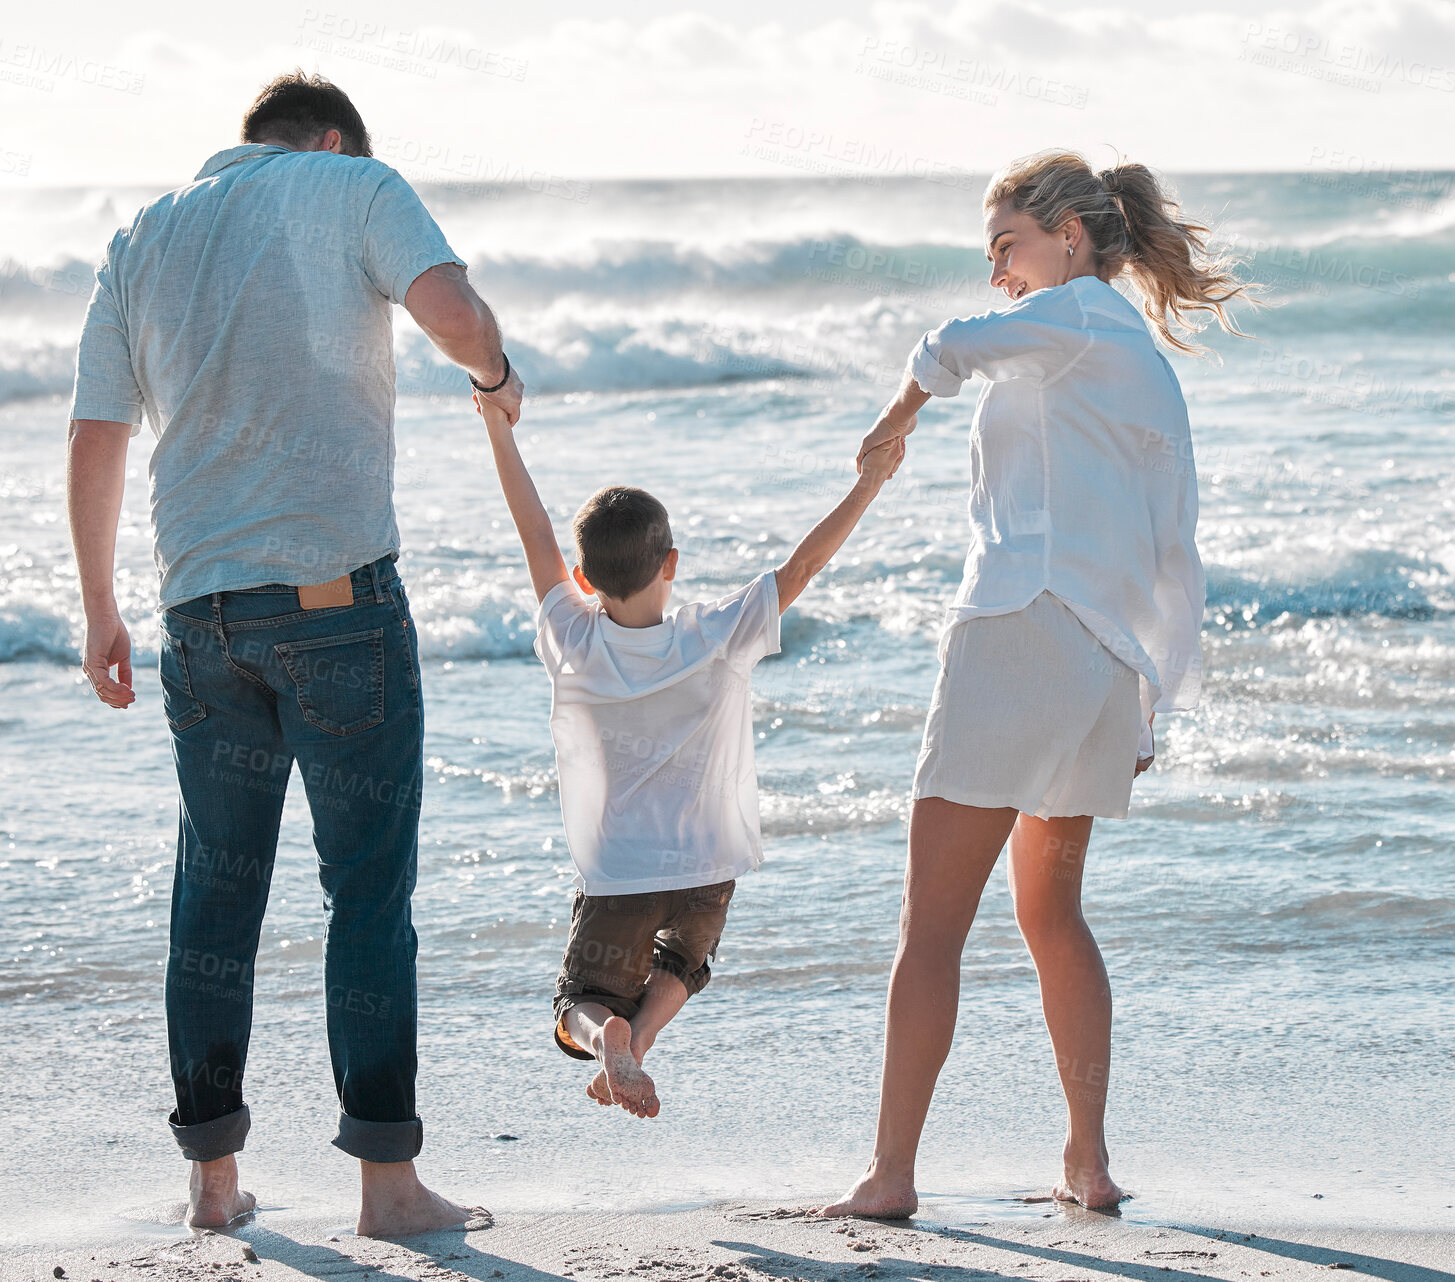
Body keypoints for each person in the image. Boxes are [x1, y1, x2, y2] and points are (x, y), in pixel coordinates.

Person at [65, 70, 524, 1235]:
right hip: (338, 607)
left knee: (213, 897)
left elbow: (95, 429)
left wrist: (97, 607)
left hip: (197, 612)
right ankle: (387, 1186)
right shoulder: (351, 182)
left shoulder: (144, 234)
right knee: (366, 892)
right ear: (326, 140)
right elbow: (455, 312)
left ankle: (213, 1185)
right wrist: (494, 377)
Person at [819, 149, 1265, 1217]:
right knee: (1052, 915)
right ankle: (1085, 1161)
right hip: (1101, 668)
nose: (995, 273)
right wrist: (1147, 690)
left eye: (1003, 246)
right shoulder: (1140, 361)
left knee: (930, 929)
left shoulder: (1066, 323)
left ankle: (888, 1177)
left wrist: (892, 420)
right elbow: (1173, 548)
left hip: (1018, 634)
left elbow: (944, 348)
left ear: (1068, 236)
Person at [472, 393, 904, 1117]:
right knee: (684, 962)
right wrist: (867, 482)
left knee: (576, 1002)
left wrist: (496, 428)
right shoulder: (713, 637)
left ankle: (607, 1035)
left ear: (583, 579)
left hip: (619, 871)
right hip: (708, 866)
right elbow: (803, 566)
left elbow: (533, 531)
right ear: (670, 561)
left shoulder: (570, 642)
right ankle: (633, 1045)